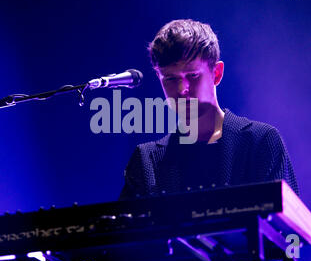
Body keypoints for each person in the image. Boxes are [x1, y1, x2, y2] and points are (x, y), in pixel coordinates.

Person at [119, 19, 299, 200]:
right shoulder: (146, 161)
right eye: (170, 79)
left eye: (193, 75)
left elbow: (288, 226)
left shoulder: (261, 142)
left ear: (217, 73)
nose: (182, 89)